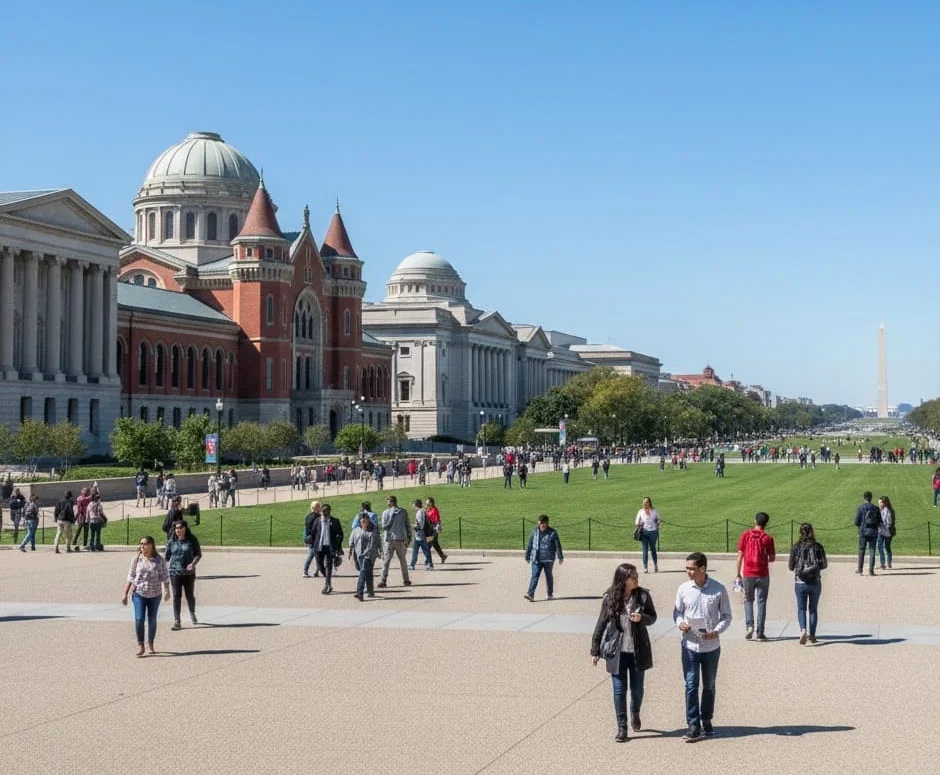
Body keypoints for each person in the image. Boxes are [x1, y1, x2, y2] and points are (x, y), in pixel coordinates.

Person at [590, 563, 657, 742]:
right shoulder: (610, 597)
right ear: (623, 580)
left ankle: (635, 712)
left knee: (637, 689)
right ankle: (622, 727)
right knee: (619, 690)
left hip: (637, 650)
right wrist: (595, 649)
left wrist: (642, 618)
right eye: (633, 576)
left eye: (636, 576)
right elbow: (601, 623)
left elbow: (653, 617)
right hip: (617, 651)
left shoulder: (643, 595)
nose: (636, 579)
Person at [673, 552, 732, 741]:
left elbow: (726, 616)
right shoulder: (683, 589)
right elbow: (677, 612)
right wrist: (680, 622)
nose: (688, 572)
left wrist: (716, 631)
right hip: (689, 644)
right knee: (691, 685)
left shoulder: (718, 589)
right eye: (687, 568)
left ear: (703, 569)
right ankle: (693, 724)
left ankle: (706, 719)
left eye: (691, 568)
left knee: (709, 685)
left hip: (711, 646)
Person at [122, 536, 171, 656]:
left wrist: (167, 590)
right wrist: (125, 594)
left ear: (151, 545)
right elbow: (131, 576)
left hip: (155, 594)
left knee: (152, 620)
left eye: (145, 544)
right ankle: (140, 645)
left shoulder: (159, 560)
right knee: (139, 619)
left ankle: (151, 643)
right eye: (141, 544)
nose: (142, 546)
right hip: (139, 593)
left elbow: (165, 576)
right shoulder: (137, 559)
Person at [734, 512, 776, 641]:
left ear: (755, 521)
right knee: (761, 602)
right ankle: (760, 632)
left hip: (748, 572)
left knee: (748, 600)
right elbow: (772, 558)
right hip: (762, 573)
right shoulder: (767, 538)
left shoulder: (746, 535)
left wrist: (737, 574)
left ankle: (749, 626)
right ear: (766, 523)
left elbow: (740, 556)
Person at [788, 523, 828, 645]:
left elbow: (791, 566)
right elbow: (824, 564)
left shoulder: (796, 547)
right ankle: (813, 635)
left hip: (800, 581)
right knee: (813, 609)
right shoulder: (818, 546)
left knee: (801, 608)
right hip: (815, 581)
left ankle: (803, 629)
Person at [164, 520, 202, 630]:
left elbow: (198, 554)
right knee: (176, 595)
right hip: (175, 572)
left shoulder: (192, 540)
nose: (178, 530)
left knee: (189, 595)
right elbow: (166, 556)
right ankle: (177, 620)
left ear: (185, 528)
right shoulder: (172, 541)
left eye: (180, 528)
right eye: (176, 528)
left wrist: (193, 564)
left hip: (189, 573)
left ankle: (192, 612)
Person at [523, 515, 564, 601]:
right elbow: (530, 544)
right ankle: (530, 594)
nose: (542, 525)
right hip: (536, 558)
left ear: (547, 523)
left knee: (548, 576)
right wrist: (527, 556)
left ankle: (550, 593)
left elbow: (557, 545)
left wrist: (560, 557)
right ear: (538, 523)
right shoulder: (534, 531)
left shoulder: (552, 532)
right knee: (534, 575)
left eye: (544, 523)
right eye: (541, 523)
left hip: (548, 559)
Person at [308, 503, 343, 594]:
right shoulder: (317, 521)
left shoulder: (335, 521)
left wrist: (339, 538)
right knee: (320, 566)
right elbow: (313, 533)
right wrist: (309, 539)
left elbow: (340, 533)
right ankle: (329, 582)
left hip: (330, 547)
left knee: (328, 566)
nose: (323, 513)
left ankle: (326, 585)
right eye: (322, 511)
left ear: (329, 511)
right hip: (319, 547)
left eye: (325, 511)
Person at [378, 495, 412, 589]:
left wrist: (391, 519)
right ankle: (406, 580)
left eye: (388, 501)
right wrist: (409, 537)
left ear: (391, 502)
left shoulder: (386, 512)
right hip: (400, 539)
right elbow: (408, 525)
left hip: (389, 540)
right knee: (402, 560)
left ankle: (383, 581)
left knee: (386, 561)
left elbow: (384, 527)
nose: (387, 503)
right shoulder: (403, 512)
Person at [348, 513, 378, 600]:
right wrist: (350, 551)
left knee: (363, 572)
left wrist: (365, 554)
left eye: (365, 520)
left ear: (368, 520)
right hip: (359, 554)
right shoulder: (356, 530)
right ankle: (370, 591)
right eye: (362, 520)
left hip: (369, 555)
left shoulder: (373, 530)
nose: (364, 522)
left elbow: (372, 545)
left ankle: (359, 592)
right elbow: (352, 540)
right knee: (368, 573)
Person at [854, 491, 880, 576]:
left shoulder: (860, 508)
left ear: (864, 498)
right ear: (871, 498)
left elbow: (856, 521)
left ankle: (860, 570)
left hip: (863, 532)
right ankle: (871, 571)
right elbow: (879, 521)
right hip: (873, 532)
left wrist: (861, 526)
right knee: (872, 551)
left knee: (861, 551)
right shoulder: (876, 508)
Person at [634, 497, 660, 573]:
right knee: (645, 550)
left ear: (649, 503)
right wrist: (639, 524)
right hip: (644, 532)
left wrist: (658, 522)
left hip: (653, 532)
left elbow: (658, 519)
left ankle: (655, 565)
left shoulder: (654, 511)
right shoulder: (640, 511)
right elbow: (636, 522)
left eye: (646, 502)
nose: (644, 504)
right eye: (643, 502)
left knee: (653, 549)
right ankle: (645, 567)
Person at [410, 498, 435, 571]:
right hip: (419, 535)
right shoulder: (422, 512)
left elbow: (420, 526)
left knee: (425, 551)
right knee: (416, 551)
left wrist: (412, 525)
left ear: (416, 505)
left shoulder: (419, 512)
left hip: (420, 535)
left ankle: (430, 565)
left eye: (413, 505)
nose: (413, 507)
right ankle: (412, 565)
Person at [302, 501, 323, 577]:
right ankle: (307, 571)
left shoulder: (308, 516)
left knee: (314, 556)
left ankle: (314, 571)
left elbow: (307, 528)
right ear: (317, 508)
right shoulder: (318, 517)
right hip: (316, 539)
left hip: (310, 538)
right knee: (314, 556)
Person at [424, 496, 447, 564]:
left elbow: (437, 521)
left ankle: (428, 560)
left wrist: (437, 530)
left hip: (434, 531)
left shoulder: (434, 510)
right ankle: (442, 556)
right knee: (435, 544)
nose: (427, 504)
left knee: (428, 545)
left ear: (431, 503)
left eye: (428, 502)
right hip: (429, 530)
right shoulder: (429, 509)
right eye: (426, 503)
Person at [877, 495, 896, 570]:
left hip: (887, 531)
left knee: (886, 547)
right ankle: (884, 563)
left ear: (884, 503)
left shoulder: (888, 511)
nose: (879, 503)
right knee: (881, 547)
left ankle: (887, 562)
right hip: (882, 531)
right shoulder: (882, 510)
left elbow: (889, 523)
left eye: (881, 502)